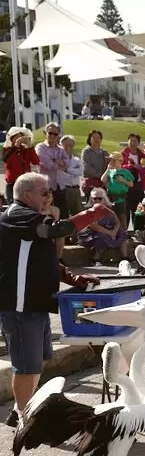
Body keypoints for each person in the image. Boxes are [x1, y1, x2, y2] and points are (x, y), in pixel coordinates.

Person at [0, 173, 105, 424]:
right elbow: (52, 229)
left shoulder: (29, 219)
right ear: (27, 195)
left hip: (35, 303)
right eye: (45, 192)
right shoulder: (17, 214)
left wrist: (73, 278)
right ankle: (25, 419)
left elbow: (45, 260)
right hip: (20, 306)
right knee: (27, 366)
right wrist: (93, 213)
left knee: (40, 358)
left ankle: (20, 410)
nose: (50, 197)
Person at [77, 188, 131, 263]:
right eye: (95, 198)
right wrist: (110, 233)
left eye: (100, 198)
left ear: (104, 199)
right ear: (91, 199)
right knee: (101, 236)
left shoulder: (109, 209)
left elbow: (117, 222)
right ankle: (95, 258)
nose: (97, 200)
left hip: (108, 230)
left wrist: (114, 231)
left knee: (122, 233)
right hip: (90, 233)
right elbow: (93, 226)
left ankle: (125, 257)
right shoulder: (88, 210)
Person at [34, 122, 69, 218]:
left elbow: (67, 164)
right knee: (48, 215)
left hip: (60, 186)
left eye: (55, 134)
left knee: (63, 215)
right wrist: (60, 163)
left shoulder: (61, 149)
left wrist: (55, 161)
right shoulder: (40, 147)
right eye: (50, 133)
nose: (52, 135)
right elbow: (46, 163)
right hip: (46, 187)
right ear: (45, 133)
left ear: (59, 135)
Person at [2, 127, 39, 205]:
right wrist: (15, 147)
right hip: (12, 184)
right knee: (13, 206)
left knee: (27, 206)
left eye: (21, 136)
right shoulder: (7, 149)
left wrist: (30, 147)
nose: (20, 139)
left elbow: (36, 161)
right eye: (17, 137)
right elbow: (6, 159)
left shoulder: (26, 150)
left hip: (25, 184)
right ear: (12, 138)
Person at [101, 151, 135, 227]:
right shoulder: (110, 171)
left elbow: (131, 184)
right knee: (111, 217)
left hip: (121, 199)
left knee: (122, 217)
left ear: (119, 161)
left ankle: (124, 234)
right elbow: (103, 180)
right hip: (110, 199)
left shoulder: (125, 172)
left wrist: (123, 180)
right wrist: (108, 169)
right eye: (110, 160)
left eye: (113, 160)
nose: (111, 162)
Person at [121, 133, 145, 223]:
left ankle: (137, 231)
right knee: (125, 210)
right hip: (125, 184)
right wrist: (130, 166)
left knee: (138, 210)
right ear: (128, 142)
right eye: (131, 141)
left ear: (138, 143)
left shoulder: (142, 155)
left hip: (138, 185)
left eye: (135, 141)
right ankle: (125, 232)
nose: (133, 143)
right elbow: (119, 167)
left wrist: (138, 167)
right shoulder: (123, 154)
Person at [57, 135, 84, 217]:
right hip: (64, 190)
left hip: (76, 190)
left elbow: (80, 172)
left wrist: (67, 169)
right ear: (60, 146)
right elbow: (62, 176)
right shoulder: (58, 160)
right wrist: (73, 171)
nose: (69, 148)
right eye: (66, 145)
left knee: (78, 215)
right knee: (64, 215)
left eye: (71, 146)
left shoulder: (77, 160)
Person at [81, 129, 109, 201]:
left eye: (98, 138)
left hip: (103, 185)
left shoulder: (105, 153)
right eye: (94, 137)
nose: (96, 139)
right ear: (90, 139)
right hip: (91, 184)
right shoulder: (86, 151)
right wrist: (101, 176)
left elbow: (109, 167)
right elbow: (86, 167)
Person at [40, 189, 65, 260]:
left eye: (50, 197)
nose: (48, 199)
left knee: (60, 235)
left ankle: (59, 258)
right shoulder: (37, 208)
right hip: (40, 230)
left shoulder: (55, 209)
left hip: (51, 230)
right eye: (46, 197)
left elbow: (56, 224)